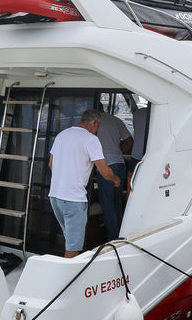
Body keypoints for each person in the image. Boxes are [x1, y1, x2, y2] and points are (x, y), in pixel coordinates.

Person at [49, 109, 121, 258]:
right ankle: (69, 278)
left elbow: (51, 164)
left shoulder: (62, 135)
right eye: (98, 126)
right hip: (73, 200)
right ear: (95, 123)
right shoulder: (91, 139)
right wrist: (116, 179)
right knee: (73, 247)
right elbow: (104, 171)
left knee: (69, 240)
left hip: (55, 197)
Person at [96, 105, 133, 241]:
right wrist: (118, 152)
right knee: (117, 202)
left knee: (107, 204)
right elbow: (129, 141)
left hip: (105, 166)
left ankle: (112, 239)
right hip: (119, 164)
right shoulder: (116, 120)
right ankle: (121, 234)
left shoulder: (95, 123)